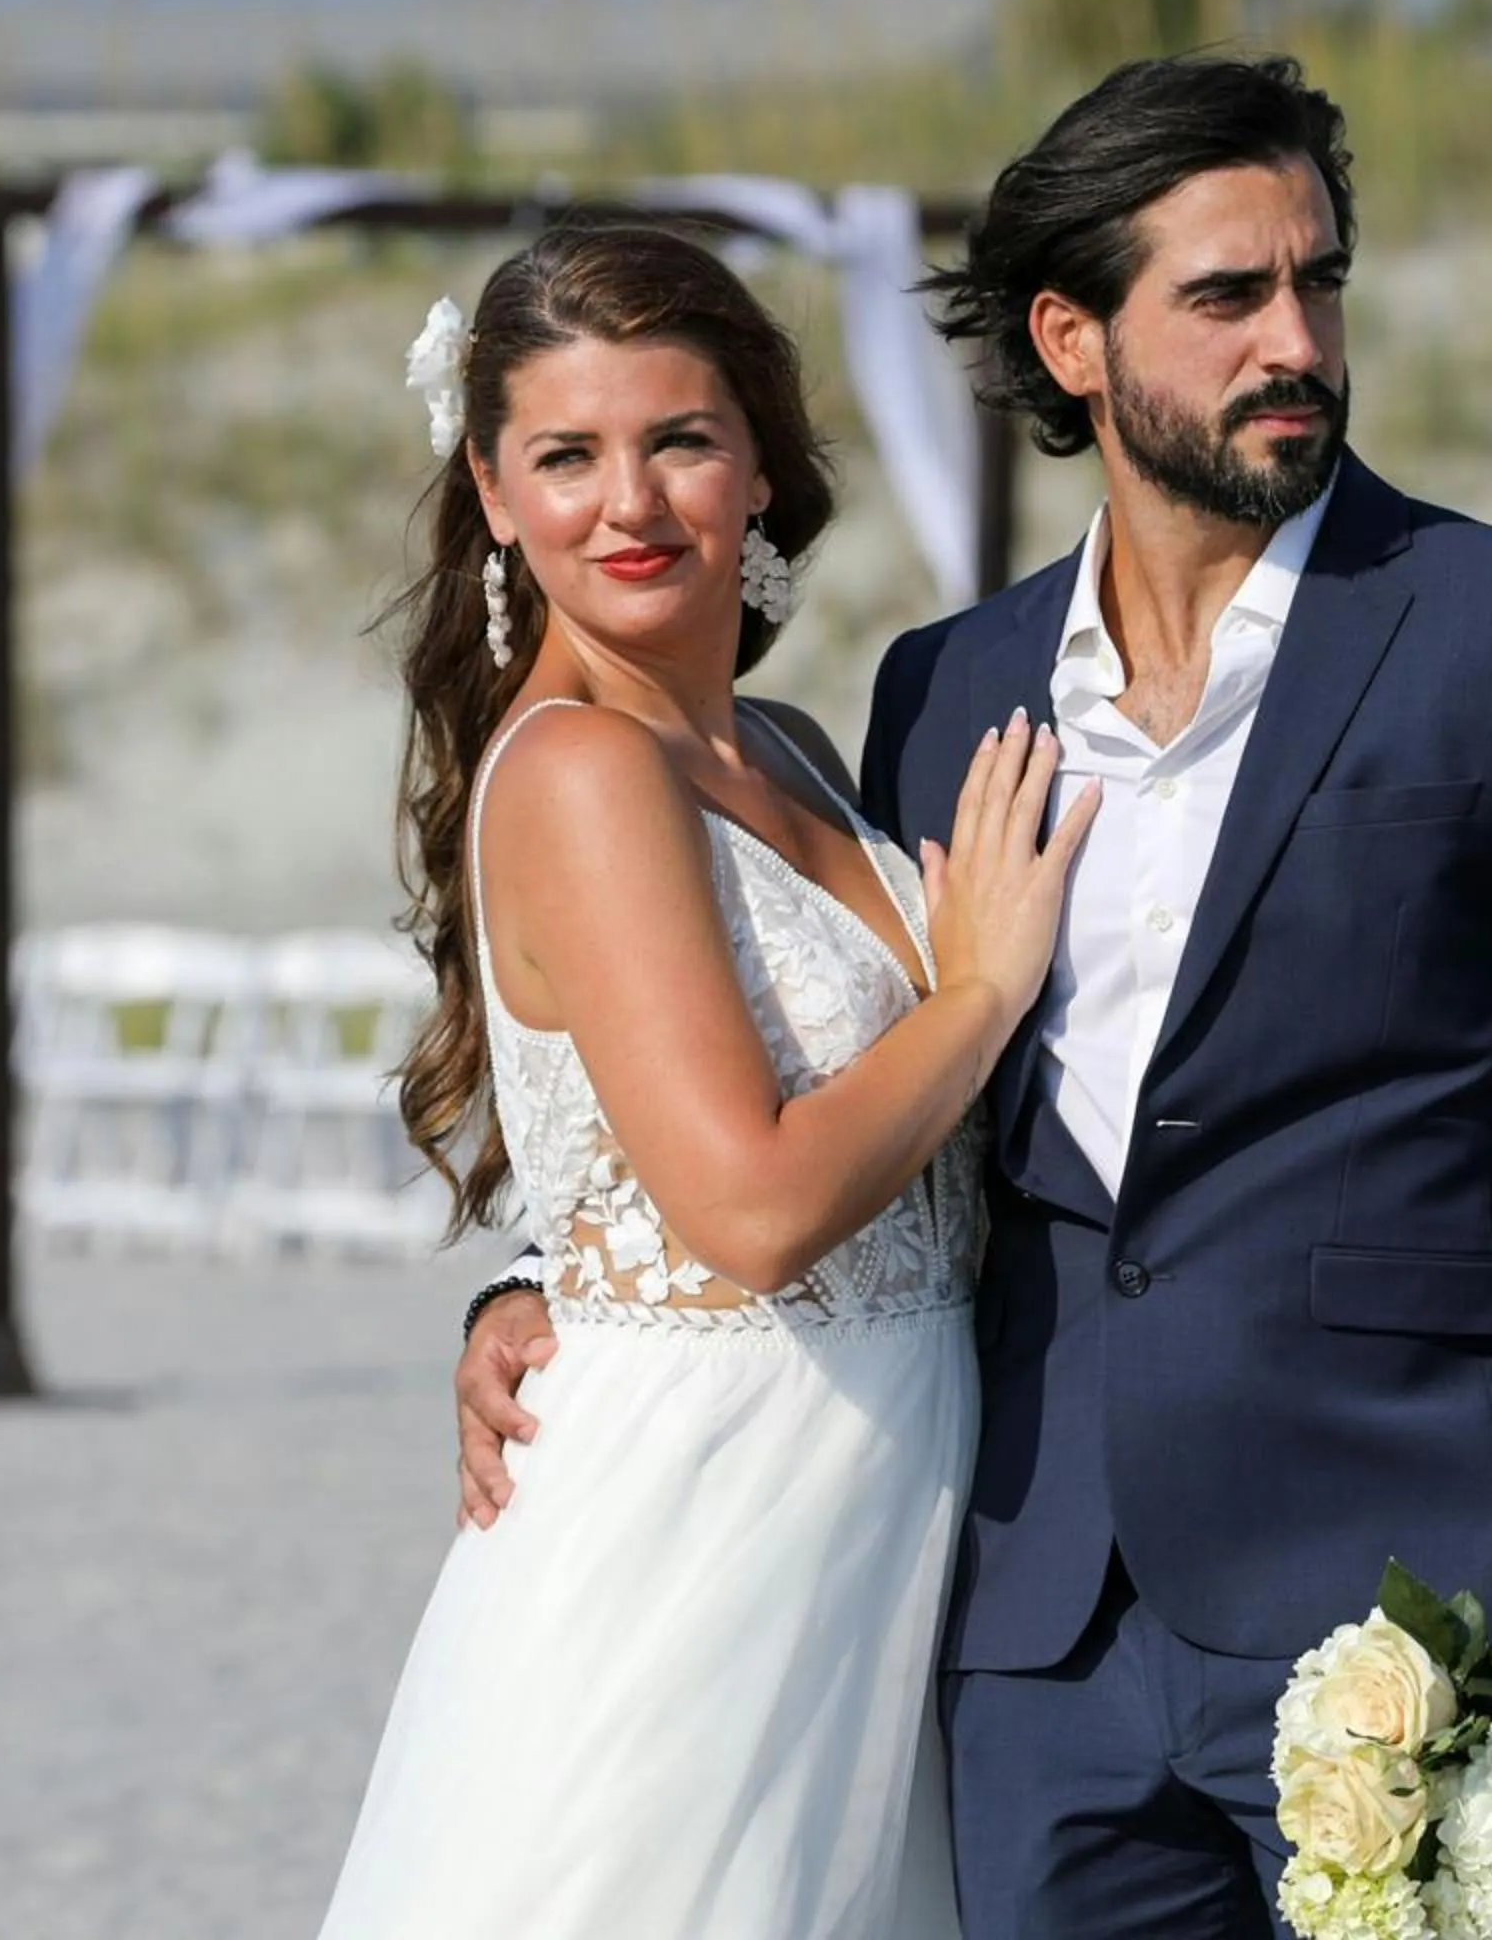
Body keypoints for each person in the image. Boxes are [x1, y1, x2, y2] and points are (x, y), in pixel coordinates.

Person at [459, 55, 1492, 1938]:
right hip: (1026, 1640)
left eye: (1319, 283)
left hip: (1409, 1588)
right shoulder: (947, 691)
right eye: (1227, 297)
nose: (1298, 342)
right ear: (1072, 339)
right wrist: (555, 1285)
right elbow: (804, 1066)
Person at [314, 222, 1096, 1939]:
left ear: (757, 462)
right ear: (495, 492)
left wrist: (529, 1281)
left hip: (872, 1499)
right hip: (698, 1516)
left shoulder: (797, 752)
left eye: (679, 438)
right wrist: (976, 988)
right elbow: (746, 1210)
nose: (633, 503)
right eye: (568, 457)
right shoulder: (581, 770)